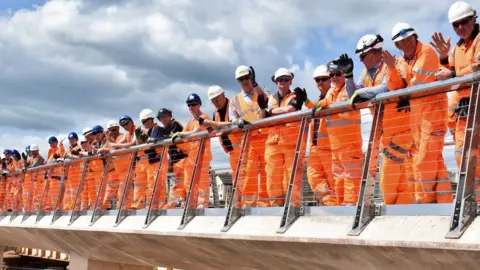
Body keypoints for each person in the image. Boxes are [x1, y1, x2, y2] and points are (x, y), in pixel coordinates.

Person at [383, 22, 453, 203]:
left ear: (415, 37)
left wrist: (405, 92)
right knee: (434, 160)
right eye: (402, 42)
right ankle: (444, 203)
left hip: (433, 114)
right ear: (397, 46)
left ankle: (426, 202)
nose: (407, 43)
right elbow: (395, 87)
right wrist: (391, 68)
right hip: (416, 118)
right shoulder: (399, 62)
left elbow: (419, 82)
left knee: (424, 160)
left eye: (409, 39)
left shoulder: (427, 52)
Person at [348, 34, 415, 204]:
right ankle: (402, 213)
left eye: (363, 56)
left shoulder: (392, 63)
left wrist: (363, 93)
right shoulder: (365, 73)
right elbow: (353, 96)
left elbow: (386, 88)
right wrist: (348, 76)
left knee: (387, 179)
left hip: (401, 129)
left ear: (373, 52)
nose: (361, 60)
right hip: (386, 132)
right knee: (400, 180)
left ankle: (391, 212)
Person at [431, 1, 480, 201]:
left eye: (464, 22)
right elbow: (447, 72)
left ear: (474, 18)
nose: (460, 27)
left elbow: (476, 69)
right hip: (464, 113)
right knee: (464, 160)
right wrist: (443, 58)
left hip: (476, 109)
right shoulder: (458, 48)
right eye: (455, 24)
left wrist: (452, 74)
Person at [258, 68, 306, 206]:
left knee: (292, 178)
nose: (282, 82)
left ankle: (293, 206)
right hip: (272, 143)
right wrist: (262, 109)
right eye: (280, 79)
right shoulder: (270, 99)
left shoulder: (295, 96)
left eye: (286, 79)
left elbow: (289, 110)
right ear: (275, 82)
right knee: (272, 178)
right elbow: (262, 118)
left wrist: (269, 111)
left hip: (291, 143)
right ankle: (276, 206)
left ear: (291, 81)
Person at [318, 59, 364, 205]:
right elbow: (325, 102)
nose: (334, 77)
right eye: (332, 75)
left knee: (351, 179)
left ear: (344, 74)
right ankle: (340, 208)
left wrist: (350, 76)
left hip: (350, 145)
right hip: (336, 146)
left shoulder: (352, 87)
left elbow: (353, 97)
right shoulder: (331, 91)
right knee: (338, 180)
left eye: (338, 74)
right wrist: (316, 105)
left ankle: (351, 208)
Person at [228, 65, 269, 207]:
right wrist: (237, 121)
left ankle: (266, 205)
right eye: (241, 79)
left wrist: (256, 84)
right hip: (249, 141)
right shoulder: (234, 100)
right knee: (249, 174)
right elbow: (232, 118)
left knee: (266, 173)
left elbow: (266, 101)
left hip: (265, 139)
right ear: (237, 81)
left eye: (247, 77)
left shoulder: (261, 92)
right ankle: (249, 206)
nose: (245, 81)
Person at [197, 85, 245, 205]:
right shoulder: (216, 112)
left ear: (223, 95)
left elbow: (234, 124)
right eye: (213, 101)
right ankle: (239, 205)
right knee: (237, 180)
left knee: (245, 178)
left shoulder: (233, 106)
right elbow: (215, 129)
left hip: (242, 148)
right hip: (232, 151)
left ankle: (245, 204)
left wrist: (216, 125)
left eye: (217, 99)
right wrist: (211, 126)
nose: (215, 102)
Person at [172, 93, 212, 209]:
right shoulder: (190, 121)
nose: (191, 107)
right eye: (189, 105)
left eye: (193, 104)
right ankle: (191, 205)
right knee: (188, 181)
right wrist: (180, 135)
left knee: (202, 182)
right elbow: (184, 135)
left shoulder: (204, 118)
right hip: (192, 156)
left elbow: (194, 132)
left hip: (203, 155)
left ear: (199, 105)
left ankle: (202, 205)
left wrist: (179, 133)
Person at [306, 65, 337, 206]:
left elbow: (328, 107)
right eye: (317, 80)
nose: (320, 83)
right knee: (314, 178)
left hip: (330, 147)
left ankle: (338, 207)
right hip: (316, 147)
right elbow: (316, 111)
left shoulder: (335, 95)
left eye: (323, 79)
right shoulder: (319, 99)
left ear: (330, 79)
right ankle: (331, 204)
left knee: (334, 180)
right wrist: (306, 102)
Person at [100, 115, 142, 209]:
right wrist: (108, 139)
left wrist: (112, 145)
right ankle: (124, 209)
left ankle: (126, 210)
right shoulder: (127, 134)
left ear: (131, 121)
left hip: (129, 167)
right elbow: (115, 145)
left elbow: (132, 143)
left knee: (126, 192)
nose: (125, 126)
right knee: (126, 192)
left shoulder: (137, 130)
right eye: (123, 125)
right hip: (122, 170)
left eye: (126, 123)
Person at [135, 109, 169, 209]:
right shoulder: (151, 130)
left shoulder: (157, 129)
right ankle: (152, 206)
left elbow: (151, 144)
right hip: (153, 161)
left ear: (150, 119)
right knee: (152, 185)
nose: (143, 124)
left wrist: (143, 137)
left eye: (144, 121)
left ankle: (159, 205)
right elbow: (140, 146)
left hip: (159, 160)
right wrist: (138, 136)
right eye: (142, 122)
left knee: (157, 185)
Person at [157, 108, 188, 208]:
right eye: (161, 118)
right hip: (176, 160)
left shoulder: (175, 124)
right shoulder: (164, 129)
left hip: (184, 157)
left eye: (165, 116)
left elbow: (170, 138)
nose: (164, 119)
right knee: (182, 182)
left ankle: (172, 203)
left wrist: (159, 139)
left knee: (181, 182)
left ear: (170, 116)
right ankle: (184, 203)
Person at [102, 120, 124, 209]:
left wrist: (107, 136)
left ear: (118, 129)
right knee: (107, 196)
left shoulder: (122, 136)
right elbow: (102, 149)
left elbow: (114, 146)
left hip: (123, 170)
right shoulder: (109, 139)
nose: (112, 132)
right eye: (110, 130)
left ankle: (122, 211)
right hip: (114, 172)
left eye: (114, 130)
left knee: (122, 194)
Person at [63, 132, 84, 210]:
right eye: (70, 139)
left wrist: (70, 156)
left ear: (76, 139)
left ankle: (75, 210)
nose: (71, 140)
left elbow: (80, 158)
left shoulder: (78, 148)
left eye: (73, 139)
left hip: (76, 175)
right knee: (68, 195)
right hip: (69, 176)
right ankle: (68, 209)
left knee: (75, 195)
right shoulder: (68, 149)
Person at [46, 136, 66, 211]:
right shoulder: (50, 152)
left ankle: (58, 210)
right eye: (50, 143)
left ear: (56, 142)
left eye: (53, 142)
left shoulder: (59, 149)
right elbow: (48, 162)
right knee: (52, 196)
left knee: (57, 195)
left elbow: (63, 154)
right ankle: (55, 209)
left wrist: (61, 144)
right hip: (51, 177)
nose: (51, 144)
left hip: (57, 177)